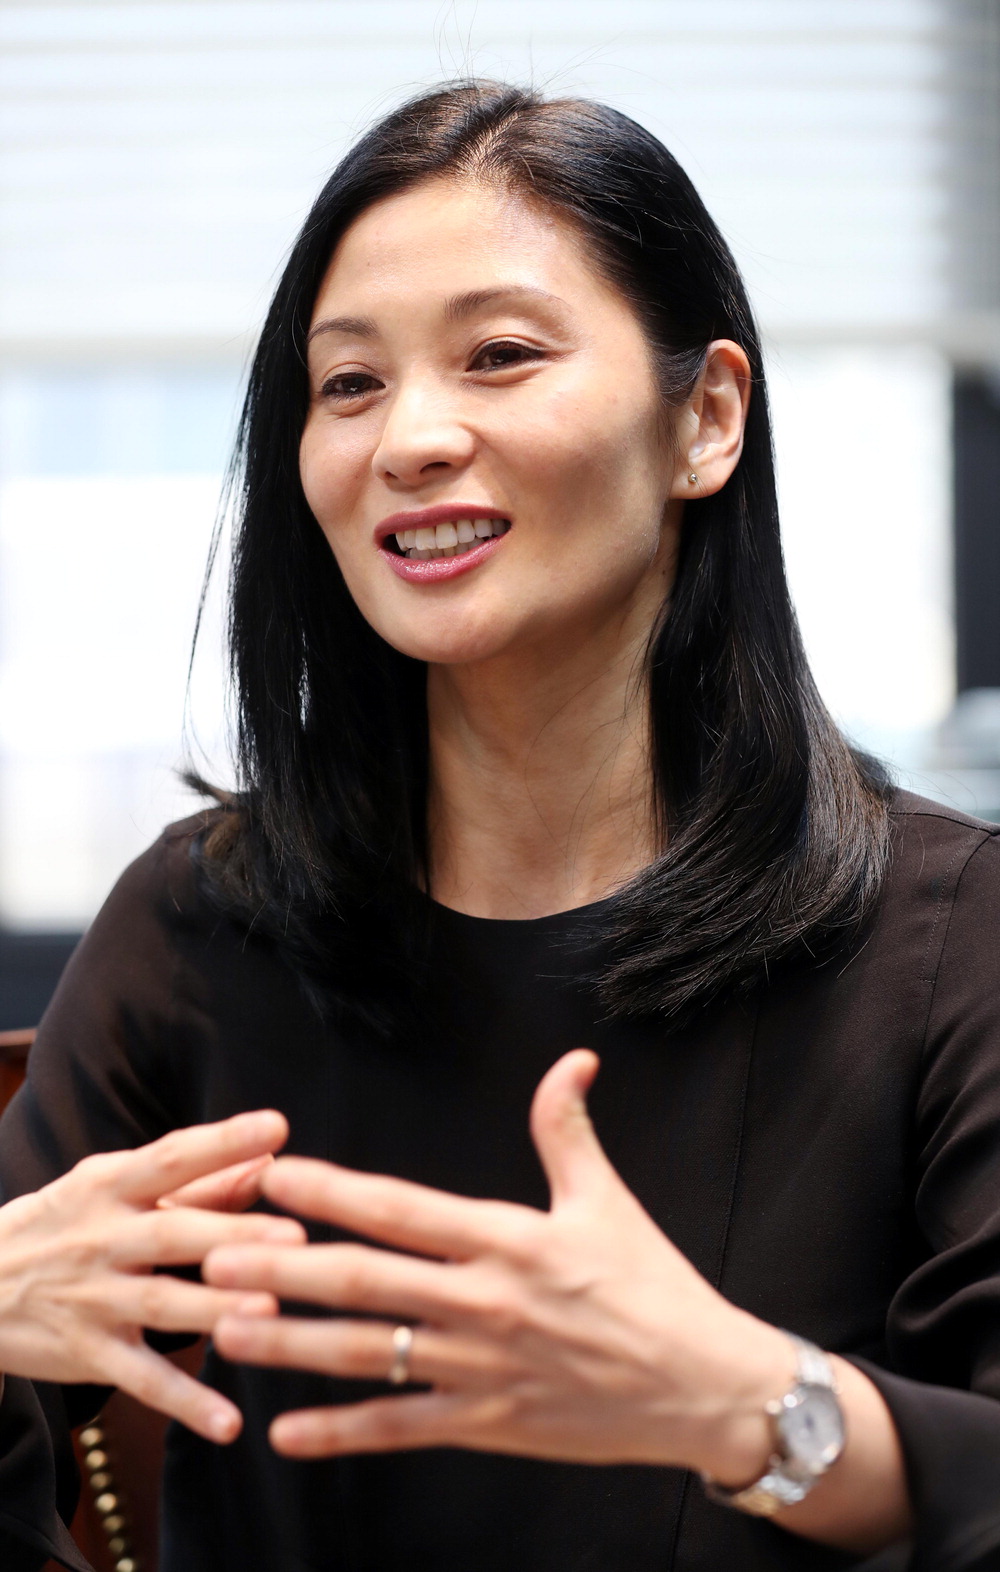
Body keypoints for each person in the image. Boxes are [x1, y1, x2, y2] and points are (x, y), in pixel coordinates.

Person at [1, 79, 999, 1572]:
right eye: (350, 383)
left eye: (502, 355)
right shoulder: (198, 926)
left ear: (706, 417)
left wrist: (747, 1405)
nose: (410, 437)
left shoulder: (950, 938)